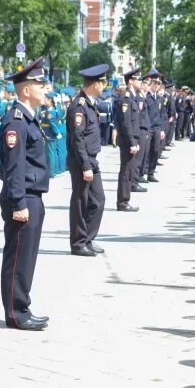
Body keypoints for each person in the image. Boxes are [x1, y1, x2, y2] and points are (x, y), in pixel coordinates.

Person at [0, 57, 51, 331]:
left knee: (26, 257)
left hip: (32, 196)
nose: (46, 90)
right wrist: (19, 202)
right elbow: (14, 167)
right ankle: (16, 312)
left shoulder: (28, 119)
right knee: (18, 257)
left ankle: (22, 306)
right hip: (24, 198)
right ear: (26, 90)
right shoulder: (16, 122)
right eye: (40, 85)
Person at [67, 64, 109, 257]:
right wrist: (85, 165)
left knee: (98, 200)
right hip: (82, 161)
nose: (104, 86)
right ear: (96, 84)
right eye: (103, 82)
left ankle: (88, 238)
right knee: (80, 201)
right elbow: (78, 139)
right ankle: (78, 243)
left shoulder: (90, 104)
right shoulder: (79, 106)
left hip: (92, 160)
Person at [116, 68, 142, 212]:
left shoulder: (132, 97)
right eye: (138, 79)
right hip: (127, 142)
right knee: (126, 172)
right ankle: (123, 202)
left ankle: (125, 200)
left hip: (132, 140)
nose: (140, 82)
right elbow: (126, 124)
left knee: (129, 171)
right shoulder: (126, 98)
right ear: (131, 81)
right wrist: (132, 142)